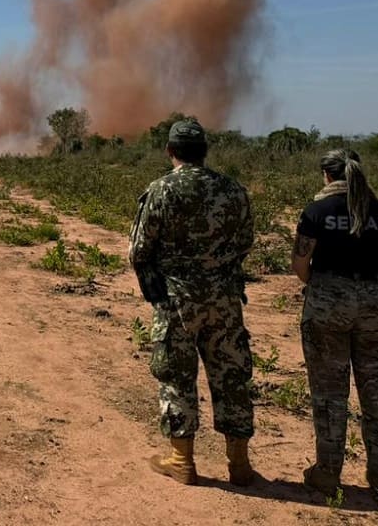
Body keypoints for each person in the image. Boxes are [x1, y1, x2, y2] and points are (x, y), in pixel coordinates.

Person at [129, 119, 256, 487]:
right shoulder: (233, 190)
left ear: (170, 151)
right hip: (226, 301)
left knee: (176, 376)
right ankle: (240, 465)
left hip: (178, 303)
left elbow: (139, 250)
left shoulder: (161, 190)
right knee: (232, 376)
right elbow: (245, 241)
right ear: (204, 151)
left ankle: (181, 461)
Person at [292, 149, 378, 495]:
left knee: (329, 392)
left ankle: (328, 472)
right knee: (377, 393)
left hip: (328, 304)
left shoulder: (316, 211)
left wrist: (324, 288)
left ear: (327, 175)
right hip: (377, 306)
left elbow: (300, 264)